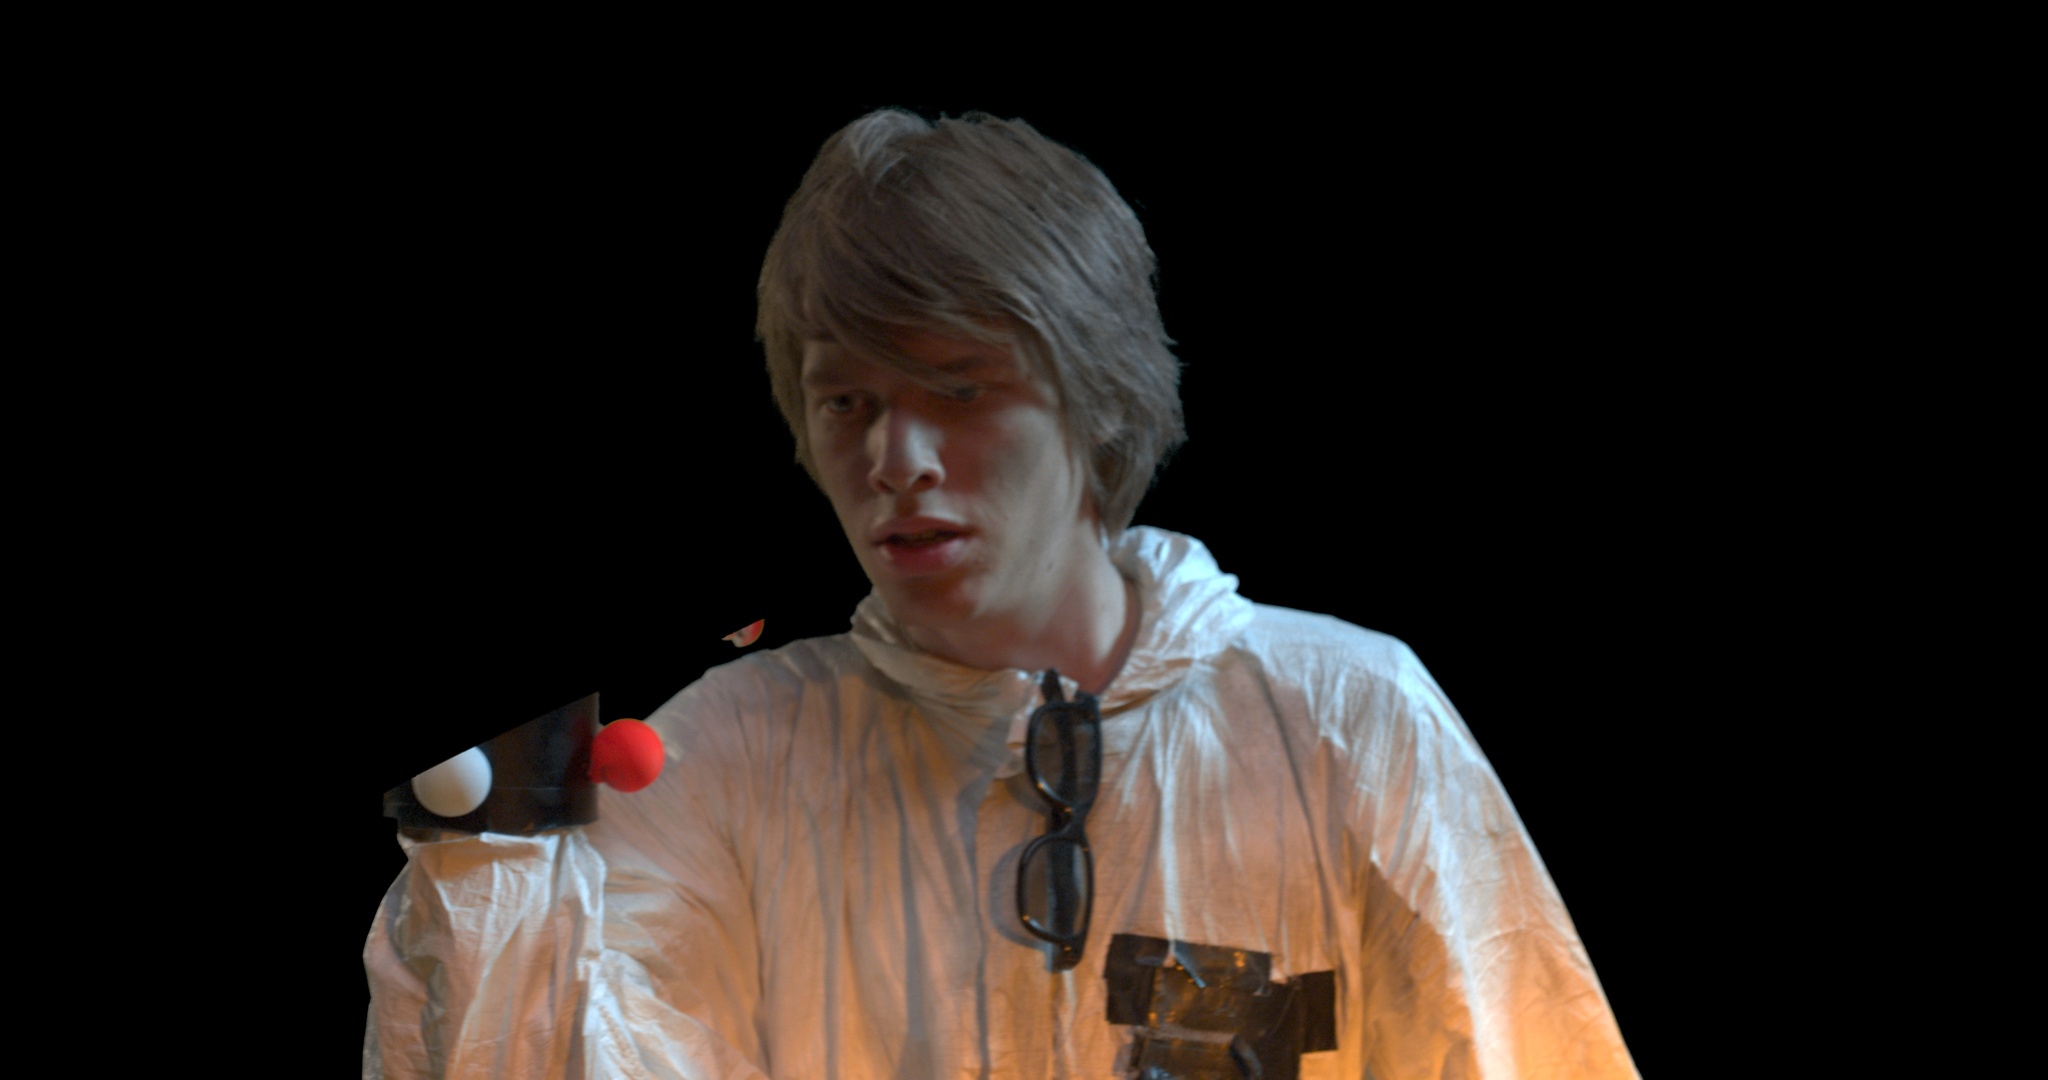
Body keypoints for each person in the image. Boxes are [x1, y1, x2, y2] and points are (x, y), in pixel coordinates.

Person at [364, 108, 1640, 1079]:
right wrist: (489, 841)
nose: (894, 458)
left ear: (1097, 400)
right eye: (846, 402)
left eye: (960, 389)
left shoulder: (1343, 716)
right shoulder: (729, 752)